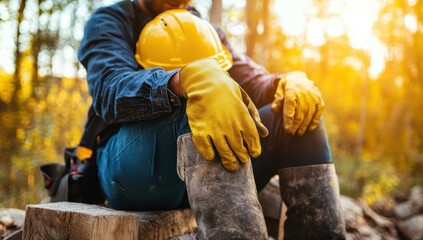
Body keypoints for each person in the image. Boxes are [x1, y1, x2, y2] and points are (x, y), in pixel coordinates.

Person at [77, 0, 347, 239]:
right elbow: (109, 89)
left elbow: (247, 77)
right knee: (200, 108)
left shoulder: (203, 26)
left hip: (204, 172)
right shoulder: (109, 21)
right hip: (131, 168)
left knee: (294, 115)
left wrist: (284, 83)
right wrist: (181, 80)